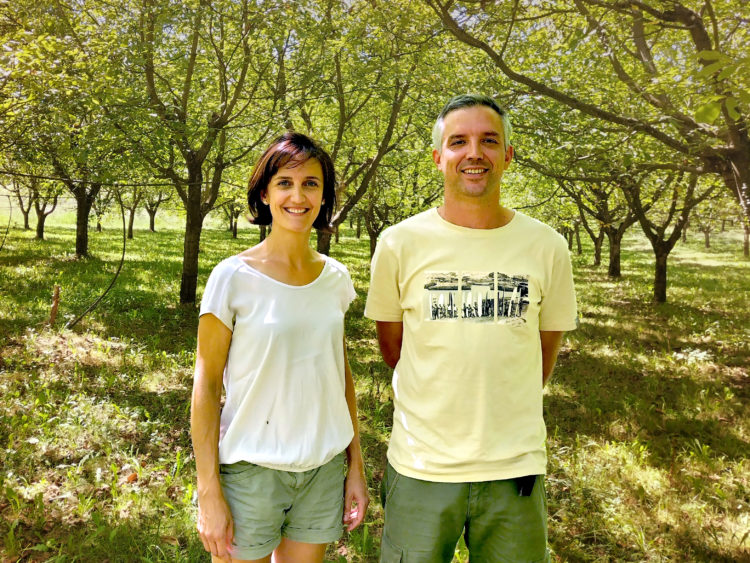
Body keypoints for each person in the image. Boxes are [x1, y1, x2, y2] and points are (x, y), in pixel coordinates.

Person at [365, 94, 577, 562]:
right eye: (459, 141)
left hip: (514, 468)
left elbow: (542, 356)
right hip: (421, 466)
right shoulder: (399, 243)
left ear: (508, 155)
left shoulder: (547, 246)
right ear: (439, 156)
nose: (474, 153)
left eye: (489, 140)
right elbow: (393, 348)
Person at [191, 132, 368, 563]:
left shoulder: (336, 278)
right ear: (265, 194)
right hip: (252, 470)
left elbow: (338, 374)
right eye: (285, 183)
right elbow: (207, 386)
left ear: (323, 196)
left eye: (311, 184)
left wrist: (355, 466)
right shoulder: (232, 277)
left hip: (321, 470)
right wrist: (208, 491)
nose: (298, 195)